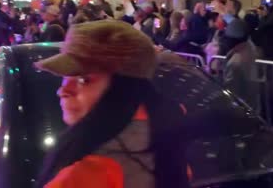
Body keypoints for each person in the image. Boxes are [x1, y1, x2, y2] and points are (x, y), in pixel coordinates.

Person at [34, 20, 189, 188]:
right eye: (65, 77)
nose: (63, 90)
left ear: (124, 89)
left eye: (83, 80)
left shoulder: (86, 173)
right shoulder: (165, 144)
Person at [219, 19, 258, 112]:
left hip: (241, 110)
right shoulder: (250, 49)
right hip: (252, 106)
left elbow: (231, 91)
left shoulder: (235, 62)